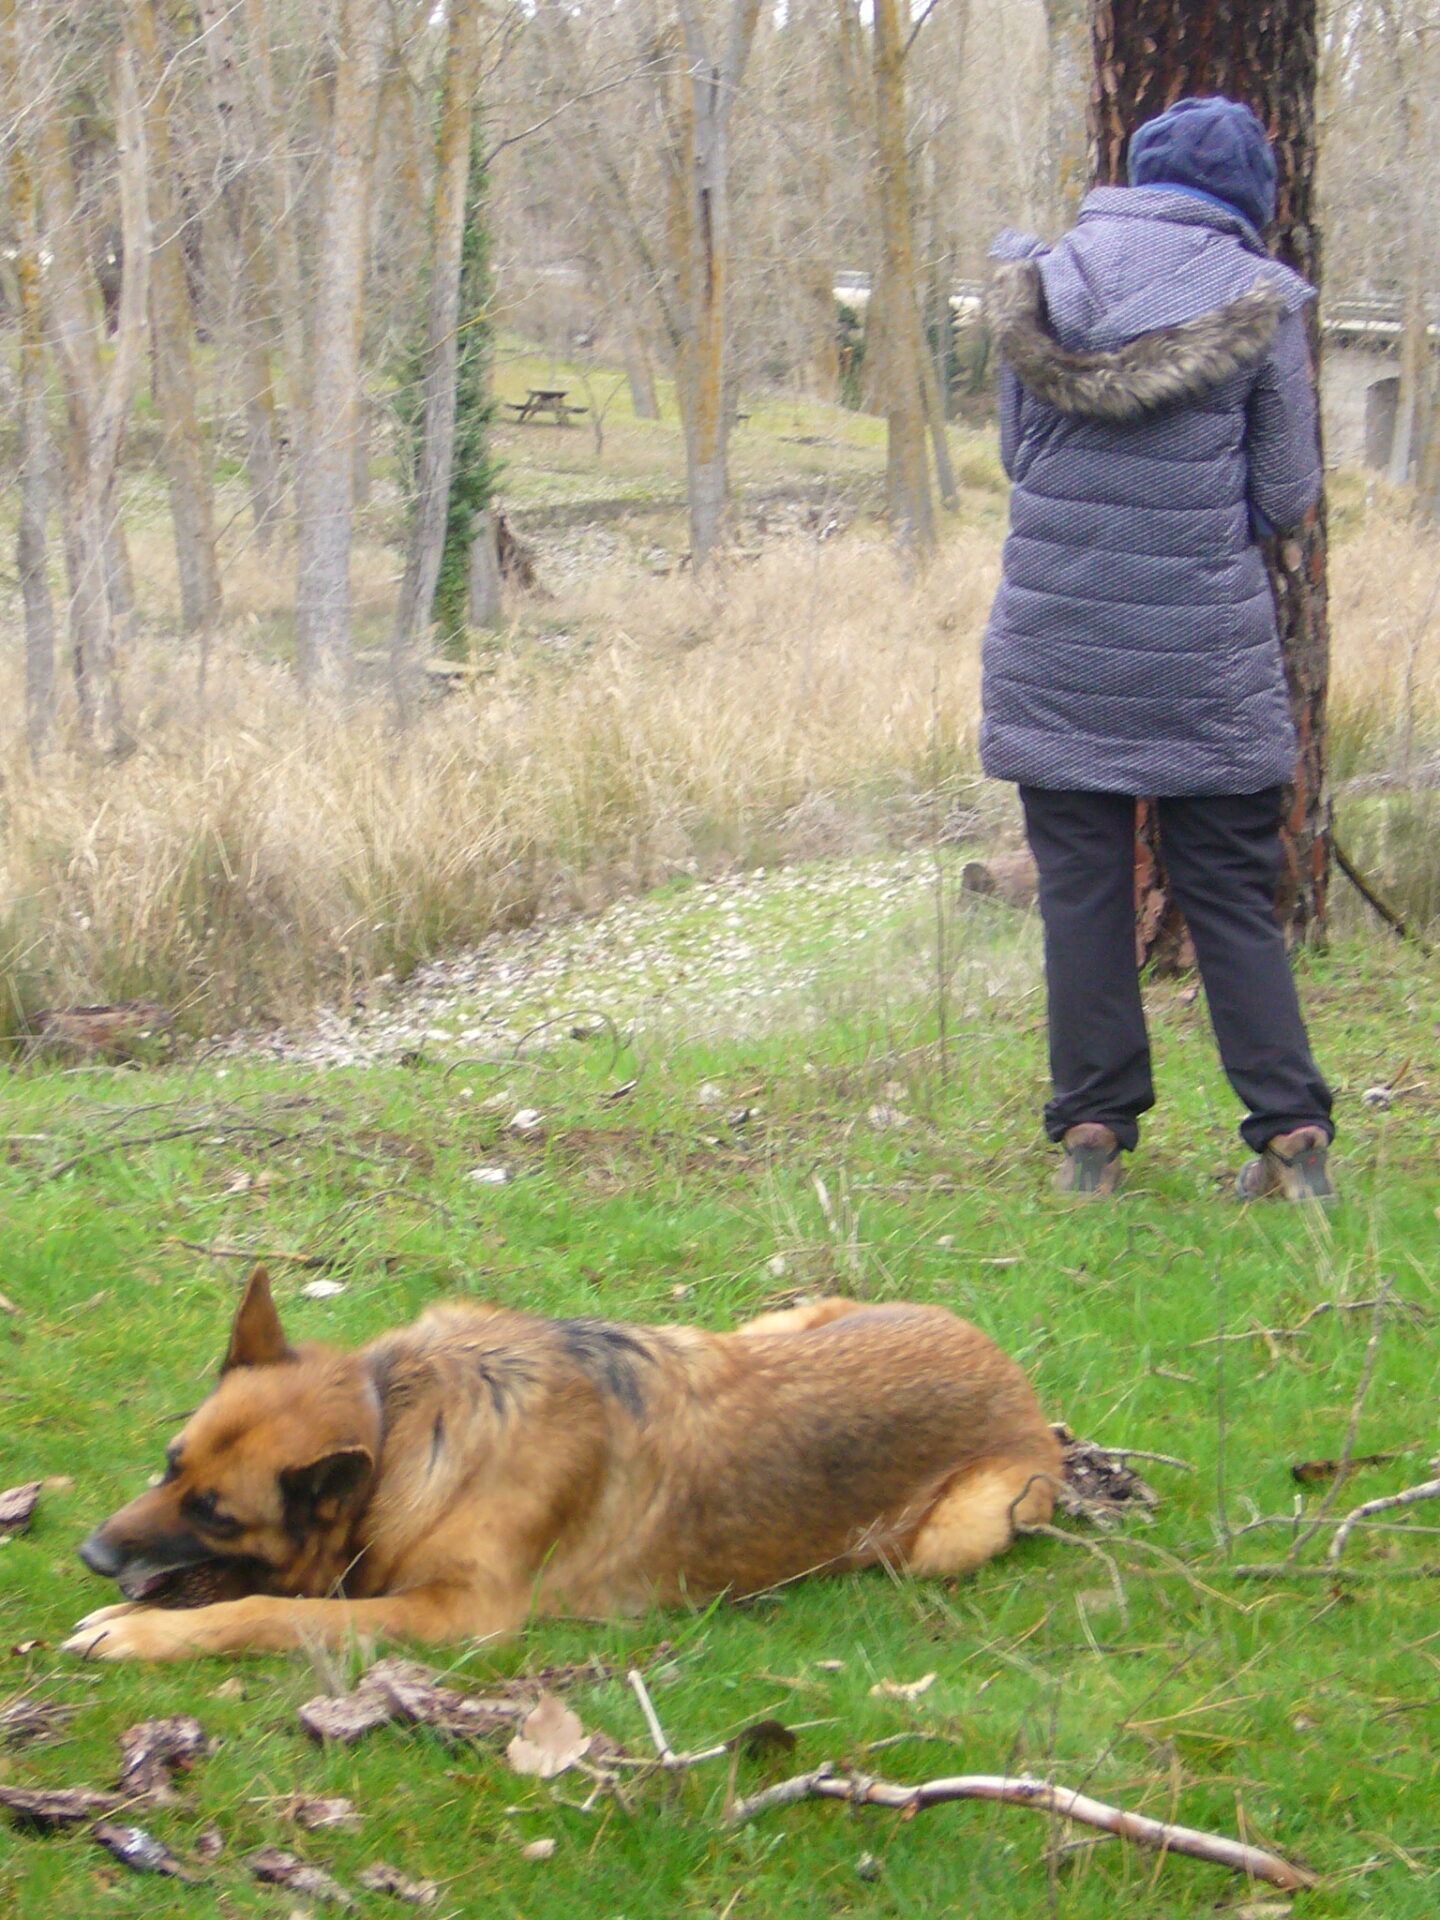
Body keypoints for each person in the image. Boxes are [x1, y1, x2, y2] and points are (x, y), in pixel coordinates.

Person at [980, 95, 1334, 1202]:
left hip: (1057, 641)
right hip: (1203, 654)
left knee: (1082, 894)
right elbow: (1286, 495)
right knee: (1226, 892)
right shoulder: (1260, 302)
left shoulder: (1039, 285)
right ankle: (1292, 1139)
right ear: (1248, 201)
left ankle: (1092, 1138)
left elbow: (1017, 455)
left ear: (1133, 177)